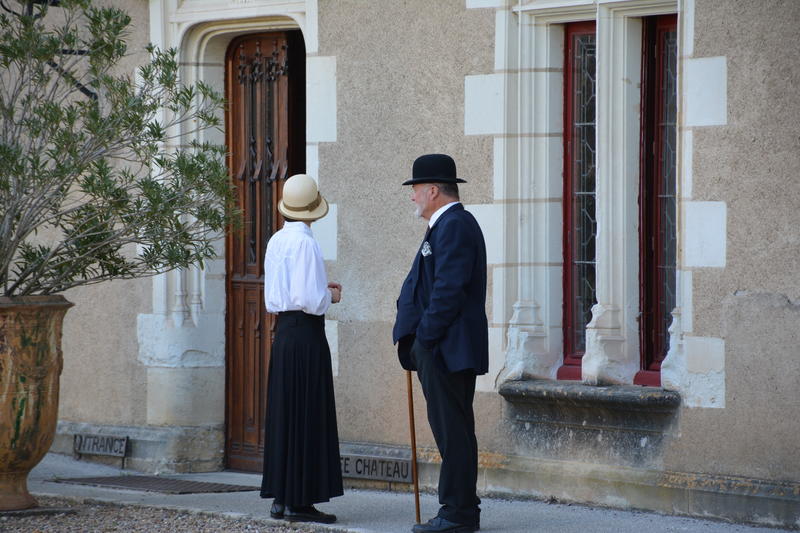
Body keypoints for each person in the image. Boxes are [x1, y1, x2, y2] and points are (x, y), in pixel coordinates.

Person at [393, 154, 488, 533]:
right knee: (452, 429)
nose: (412, 197)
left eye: (415, 190)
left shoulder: (455, 225)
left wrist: (425, 340)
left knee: (453, 430)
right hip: (441, 347)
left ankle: (457, 513)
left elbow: (449, 289)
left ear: (432, 190)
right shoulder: (445, 225)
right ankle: (459, 509)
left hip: (446, 349)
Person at [260, 173, 343, 524]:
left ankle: (282, 498)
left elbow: (286, 293)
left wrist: (318, 289)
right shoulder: (306, 243)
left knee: (285, 413)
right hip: (307, 335)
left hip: (285, 334)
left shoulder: (276, 240)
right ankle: (300, 501)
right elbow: (311, 300)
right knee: (308, 412)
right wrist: (331, 295)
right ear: (312, 210)